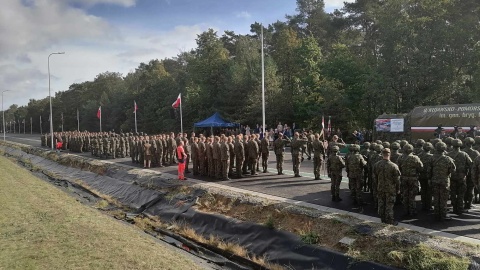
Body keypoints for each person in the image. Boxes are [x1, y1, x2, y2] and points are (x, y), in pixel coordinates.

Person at [374, 148, 401, 225]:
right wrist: (398, 189)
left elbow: (375, 177)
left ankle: (382, 220)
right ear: (390, 154)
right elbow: (397, 180)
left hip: (380, 187)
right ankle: (390, 221)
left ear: (382, 154)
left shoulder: (377, 164)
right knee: (389, 205)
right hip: (390, 189)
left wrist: (377, 186)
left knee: (381, 204)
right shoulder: (394, 166)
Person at [431, 142, 456, 221]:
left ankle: (436, 213)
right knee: (443, 198)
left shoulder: (432, 158)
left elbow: (428, 170)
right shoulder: (447, 159)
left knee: (436, 197)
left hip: (434, 180)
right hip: (444, 181)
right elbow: (453, 170)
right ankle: (443, 214)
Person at [397, 144, 423, 216]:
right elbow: (420, 167)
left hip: (404, 178)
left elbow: (398, 168)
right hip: (413, 178)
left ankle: (406, 210)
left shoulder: (400, 157)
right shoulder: (415, 158)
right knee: (412, 195)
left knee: (405, 194)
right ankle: (412, 210)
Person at [447, 139, 472, 214]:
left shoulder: (448, 154)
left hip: (452, 176)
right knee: (461, 193)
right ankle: (460, 208)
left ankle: (454, 207)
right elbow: (470, 164)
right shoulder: (464, 154)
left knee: (453, 192)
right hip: (461, 176)